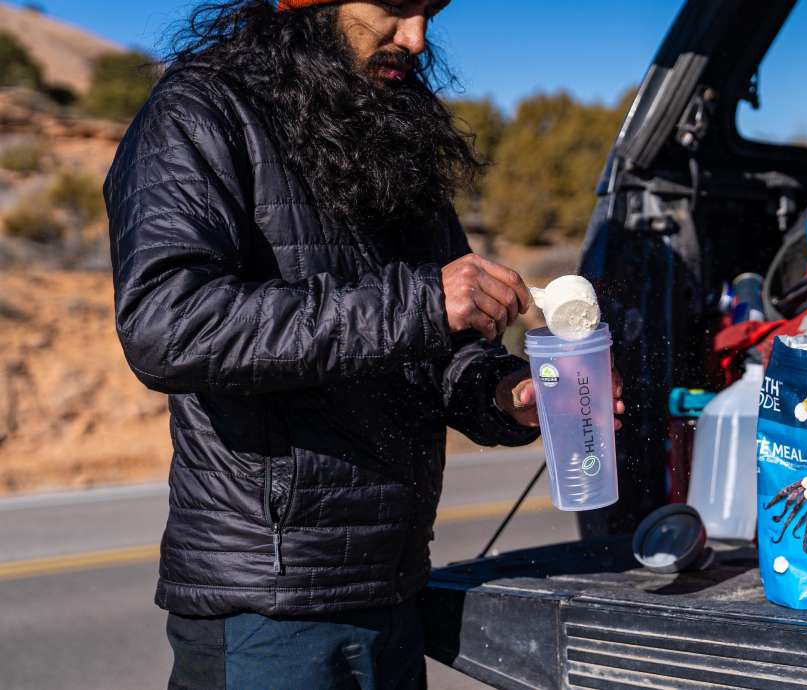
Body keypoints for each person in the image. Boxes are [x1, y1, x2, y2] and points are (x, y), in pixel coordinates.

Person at [103, 1, 623, 687]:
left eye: (429, 12)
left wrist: (504, 393)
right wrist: (421, 301)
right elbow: (169, 325)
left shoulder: (389, 121)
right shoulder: (203, 111)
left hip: (394, 587)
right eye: (395, 7)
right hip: (271, 609)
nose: (415, 38)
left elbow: (435, 345)